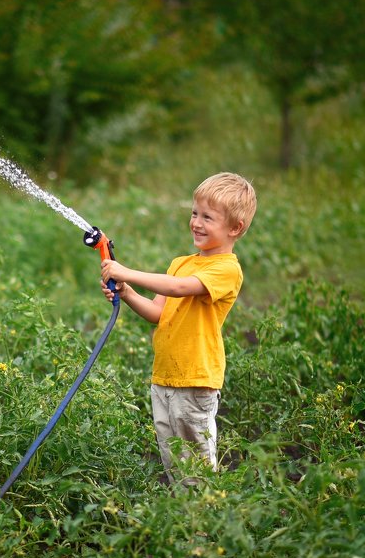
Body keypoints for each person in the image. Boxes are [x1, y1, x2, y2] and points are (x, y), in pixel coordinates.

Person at [100, 172, 257, 483]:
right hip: (164, 378)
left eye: (208, 217)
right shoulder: (180, 263)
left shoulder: (226, 269)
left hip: (195, 380)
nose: (196, 222)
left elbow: (181, 288)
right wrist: (128, 293)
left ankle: (202, 526)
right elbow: (159, 311)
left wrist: (128, 272)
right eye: (194, 213)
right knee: (173, 462)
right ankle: (184, 524)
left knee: (195, 468)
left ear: (235, 228)